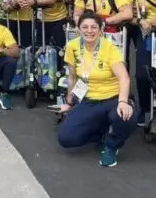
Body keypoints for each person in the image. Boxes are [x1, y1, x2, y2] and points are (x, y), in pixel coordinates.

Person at [56, 11, 137, 168]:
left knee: (126, 116)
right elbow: (73, 78)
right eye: (84, 27)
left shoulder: (109, 48)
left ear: (101, 30)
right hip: (89, 99)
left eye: (94, 27)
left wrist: (123, 102)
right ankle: (101, 132)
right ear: (78, 29)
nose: (89, 31)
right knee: (66, 139)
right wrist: (69, 102)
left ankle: (111, 146)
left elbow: (124, 78)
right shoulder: (72, 47)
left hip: (112, 98)